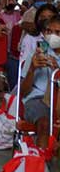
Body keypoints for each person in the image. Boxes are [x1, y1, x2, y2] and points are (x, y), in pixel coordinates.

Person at [19, 17, 60, 149]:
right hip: (37, 99)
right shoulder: (37, 53)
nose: (52, 36)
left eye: (57, 32)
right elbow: (23, 92)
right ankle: (41, 165)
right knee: (44, 123)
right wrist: (32, 69)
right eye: (49, 31)